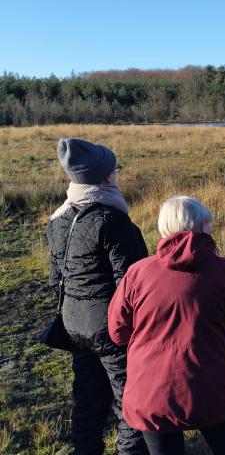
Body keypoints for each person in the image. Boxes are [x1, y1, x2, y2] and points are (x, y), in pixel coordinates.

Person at [108, 196, 225, 455]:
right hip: (211, 389)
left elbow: (117, 332)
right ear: (200, 227)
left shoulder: (137, 273)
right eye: (209, 223)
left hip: (151, 393)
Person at [47, 137, 148, 455]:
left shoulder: (58, 219)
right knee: (128, 396)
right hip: (110, 327)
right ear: (106, 177)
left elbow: (55, 279)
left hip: (73, 324)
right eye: (113, 170)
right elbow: (130, 284)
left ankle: (85, 450)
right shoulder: (112, 219)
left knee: (88, 397)